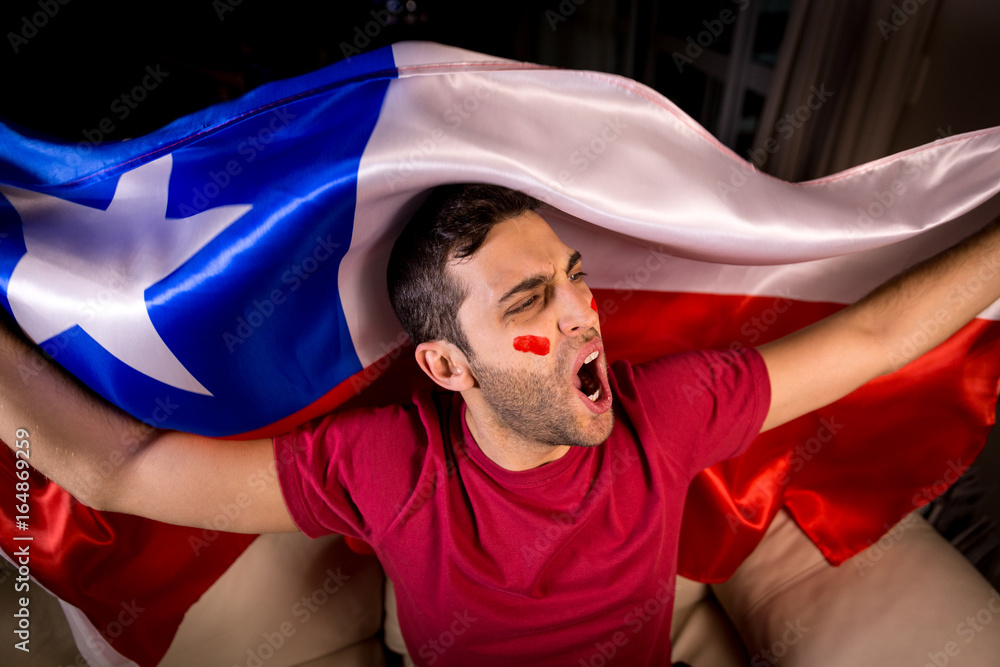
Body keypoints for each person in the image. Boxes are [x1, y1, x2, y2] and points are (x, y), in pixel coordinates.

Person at [2, 182, 999, 665]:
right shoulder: (387, 464)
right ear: (444, 365)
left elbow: (874, 336)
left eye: (575, 278)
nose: (582, 314)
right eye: (527, 305)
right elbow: (123, 471)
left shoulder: (671, 409)